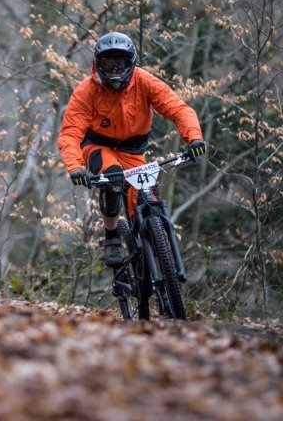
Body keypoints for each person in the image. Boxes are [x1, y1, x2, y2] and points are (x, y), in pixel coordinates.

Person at [58, 31, 206, 269]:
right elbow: (70, 133)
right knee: (113, 178)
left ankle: (158, 266)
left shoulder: (145, 81)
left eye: (120, 63)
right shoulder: (87, 91)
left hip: (133, 152)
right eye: (108, 64)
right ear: (98, 65)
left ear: (131, 63)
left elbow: (179, 109)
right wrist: (75, 167)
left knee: (148, 202)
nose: (115, 70)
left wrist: (194, 139)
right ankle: (112, 237)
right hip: (98, 147)